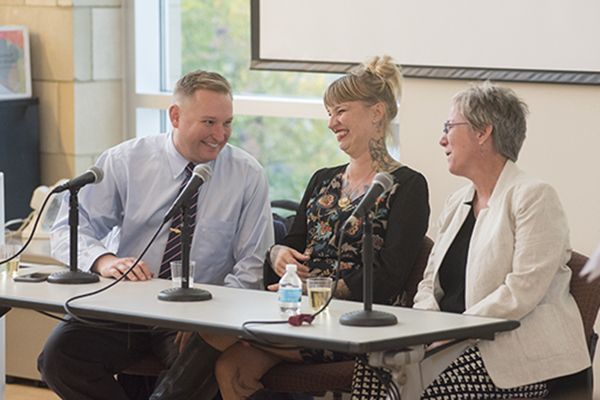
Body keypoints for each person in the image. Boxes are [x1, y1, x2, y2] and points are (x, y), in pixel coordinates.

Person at [150, 55, 430, 400]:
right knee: (231, 369)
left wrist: (319, 292)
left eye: (340, 111)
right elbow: (284, 253)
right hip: (299, 315)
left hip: (357, 323)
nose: (331, 123)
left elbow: (390, 276)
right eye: (329, 113)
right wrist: (278, 253)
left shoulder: (407, 185)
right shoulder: (323, 179)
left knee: (214, 332)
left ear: (376, 113)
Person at [37, 70, 274, 400]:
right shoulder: (126, 160)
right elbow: (67, 229)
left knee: (194, 376)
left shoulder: (247, 175)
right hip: (126, 306)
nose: (220, 135)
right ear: (175, 116)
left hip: (200, 316)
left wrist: (212, 321)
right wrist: (103, 260)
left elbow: (252, 267)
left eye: (227, 123)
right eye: (208, 122)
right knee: (59, 358)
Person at [367, 82, 590, 400]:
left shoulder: (534, 196)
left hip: (516, 352)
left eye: (449, 127)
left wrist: (454, 333)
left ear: (483, 132)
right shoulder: (457, 201)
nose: (442, 139)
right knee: (370, 365)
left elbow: (521, 292)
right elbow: (429, 283)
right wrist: (428, 328)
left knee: (432, 390)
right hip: (448, 340)